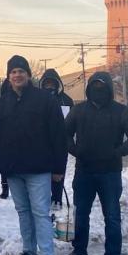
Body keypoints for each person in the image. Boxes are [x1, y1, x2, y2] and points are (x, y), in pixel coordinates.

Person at [0, 56, 67, 255]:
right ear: (8, 76)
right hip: (13, 170)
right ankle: (29, 254)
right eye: (13, 72)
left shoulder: (45, 100)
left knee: (40, 213)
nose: (17, 75)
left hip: (39, 168)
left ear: (29, 75)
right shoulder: (1, 103)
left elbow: (58, 135)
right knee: (23, 212)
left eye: (21, 71)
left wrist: (58, 169)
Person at [64, 72, 128, 255]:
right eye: (94, 86)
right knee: (81, 213)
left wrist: (119, 152)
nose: (98, 90)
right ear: (89, 88)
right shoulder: (79, 110)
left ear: (108, 88)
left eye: (102, 86)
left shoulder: (120, 111)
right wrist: (75, 151)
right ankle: (79, 249)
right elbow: (63, 134)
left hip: (110, 172)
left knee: (112, 215)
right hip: (84, 170)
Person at [39, 68, 74, 210]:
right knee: (42, 174)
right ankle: (44, 198)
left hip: (61, 142)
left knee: (59, 172)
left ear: (57, 84)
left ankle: (57, 198)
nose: (49, 87)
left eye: (52, 84)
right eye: (46, 84)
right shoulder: (38, 99)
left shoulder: (67, 100)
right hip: (41, 143)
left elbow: (72, 120)